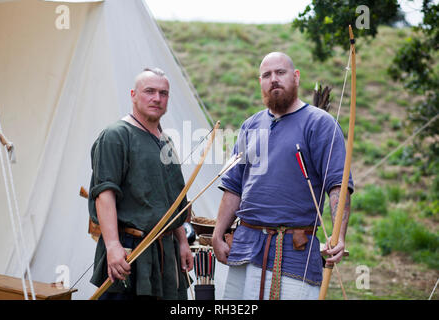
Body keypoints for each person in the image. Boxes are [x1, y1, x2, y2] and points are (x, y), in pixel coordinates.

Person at [212, 52, 353, 300]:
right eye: (267, 75)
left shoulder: (320, 123)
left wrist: (338, 235)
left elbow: (337, 186)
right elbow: (233, 187)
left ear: (296, 77)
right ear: (260, 82)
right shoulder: (250, 126)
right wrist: (217, 233)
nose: (273, 79)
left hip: (292, 252)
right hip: (245, 246)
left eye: (280, 73)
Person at [88, 68, 193, 300]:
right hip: (130, 250)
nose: (157, 98)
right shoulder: (115, 135)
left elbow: (173, 200)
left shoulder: (166, 140)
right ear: (134, 94)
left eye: (163, 93)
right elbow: (104, 194)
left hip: (166, 253)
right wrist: (113, 245)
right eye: (150, 91)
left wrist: (183, 241)